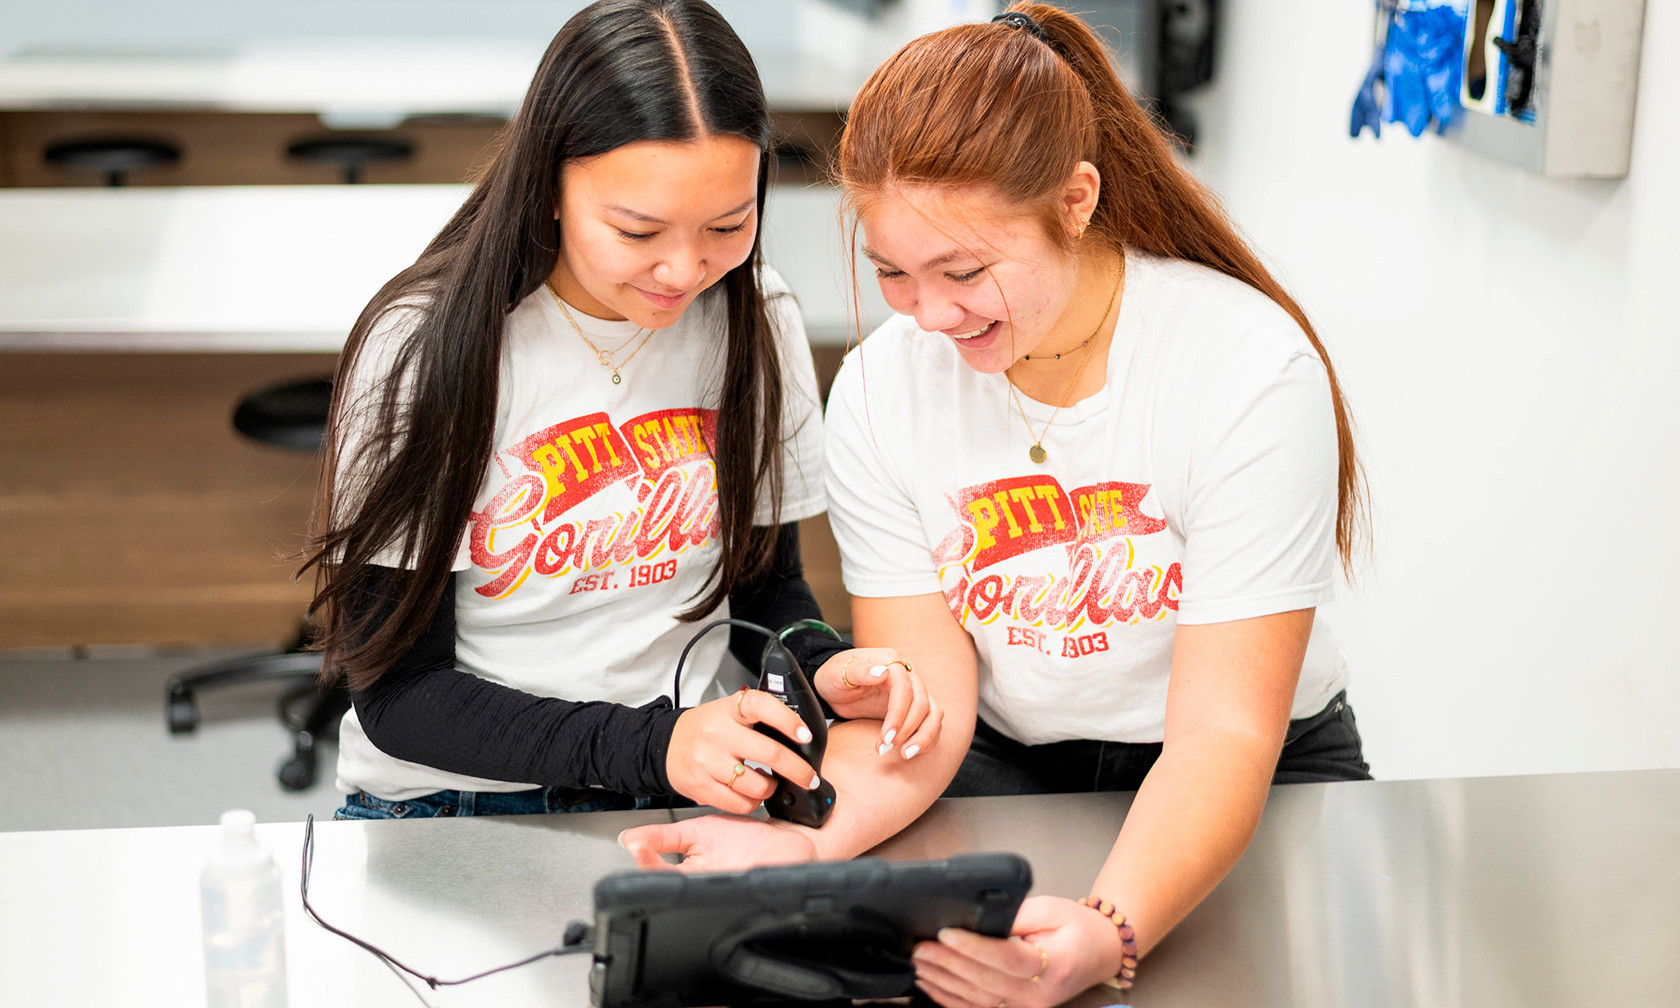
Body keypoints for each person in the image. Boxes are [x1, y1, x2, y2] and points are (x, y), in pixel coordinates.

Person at [623, 2, 1373, 1002]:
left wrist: (1111, 929)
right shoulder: (887, 386)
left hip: (1254, 776)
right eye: (893, 272)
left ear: (1076, 199)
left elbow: (1223, 733)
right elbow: (924, 696)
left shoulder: (1244, 370)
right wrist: (810, 846)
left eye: (964, 270)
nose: (931, 315)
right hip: (1002, 767)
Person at [300, 0, 939, 824]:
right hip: (450, 802)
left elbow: (765, 590)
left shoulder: (752, 318)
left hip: (674, 782)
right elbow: (401, 698)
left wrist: (819, 664)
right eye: (638, 230)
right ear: (552, 185)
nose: (684, 269)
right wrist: (656, 745)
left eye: (727, 223)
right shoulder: (429, 346)